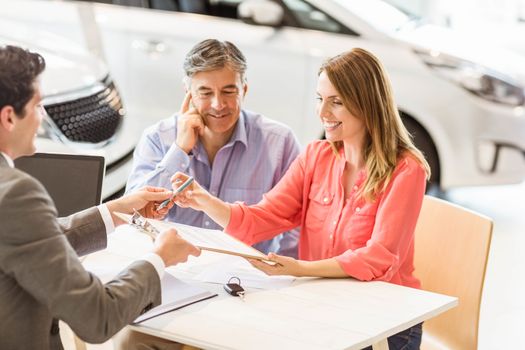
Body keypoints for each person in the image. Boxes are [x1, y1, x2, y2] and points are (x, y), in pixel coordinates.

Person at [171, 48, 430, 350]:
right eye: (320, 99)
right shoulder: (315, 157)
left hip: (384, 319)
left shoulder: (407, 169)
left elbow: (379, 258)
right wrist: (203, 199)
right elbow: (262, 220)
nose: (322, 113)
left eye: (336, 102)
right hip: (323, 306)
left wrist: (300, 269)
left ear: (367, 103)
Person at [0, 45, 201, 350]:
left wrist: (115, 211)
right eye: (38, 106)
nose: (42, 118)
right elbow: (96, 317)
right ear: (9, 118)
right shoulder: (17, 193)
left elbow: (25, 242)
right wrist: (159, 259)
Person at [126, 39, 301, 257]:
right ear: (188, 92)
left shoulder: (279, 142)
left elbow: (295, 225)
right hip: (176, 268)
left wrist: (284, 274)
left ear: (243, 90)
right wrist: (179, 150)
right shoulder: (158, 137)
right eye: (206, 93)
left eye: (229, 91)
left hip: (250, 275)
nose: (218, 104)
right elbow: (132, 214)